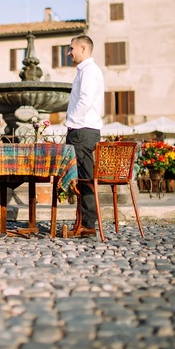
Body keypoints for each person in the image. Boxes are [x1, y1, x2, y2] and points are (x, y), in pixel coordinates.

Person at [65, 35, 104, 231]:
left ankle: (88, 224)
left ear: (82, 48)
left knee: (85, 177)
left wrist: (71, 122)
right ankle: (83, 221)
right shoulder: (85, 71)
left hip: (82, 130)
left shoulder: (88, 71)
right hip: (83, 129)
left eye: (71, 48)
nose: (69, 52)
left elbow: (85, 101)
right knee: (81, 177)